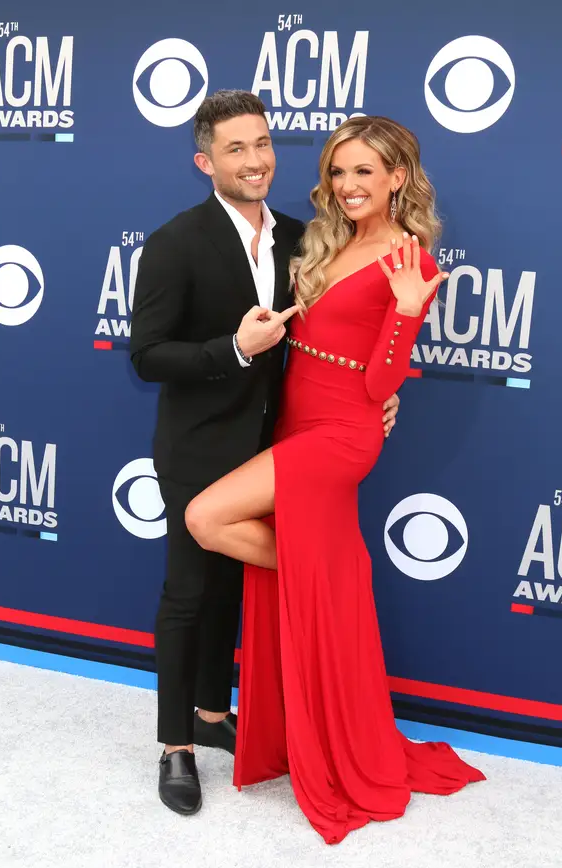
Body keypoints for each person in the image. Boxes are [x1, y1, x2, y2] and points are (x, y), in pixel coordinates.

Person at [185, 115, 486, 844]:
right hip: (296, 420)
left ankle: (334, 578)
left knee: (207, 518)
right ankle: (333, 581)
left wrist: (409, 316)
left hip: (342, 433)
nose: (349, 186)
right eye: (339, 171)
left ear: (398, 179)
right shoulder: (333, 242)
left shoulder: (409, 261)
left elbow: (383, 379)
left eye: (365, 173)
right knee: (259, 539)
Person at [130, 92, 401, 817]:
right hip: (195, 445)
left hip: (272, 442)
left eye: (263, 144)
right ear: (205, 162)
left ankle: (213, 717)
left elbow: (337, 337)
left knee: (232, 589)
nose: (255, 161)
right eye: (235, 149)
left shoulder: (302, 237)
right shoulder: (176, 241)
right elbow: (147, 357)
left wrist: (375, 395)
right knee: (188, 593)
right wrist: (232, 349)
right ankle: (175, 748)